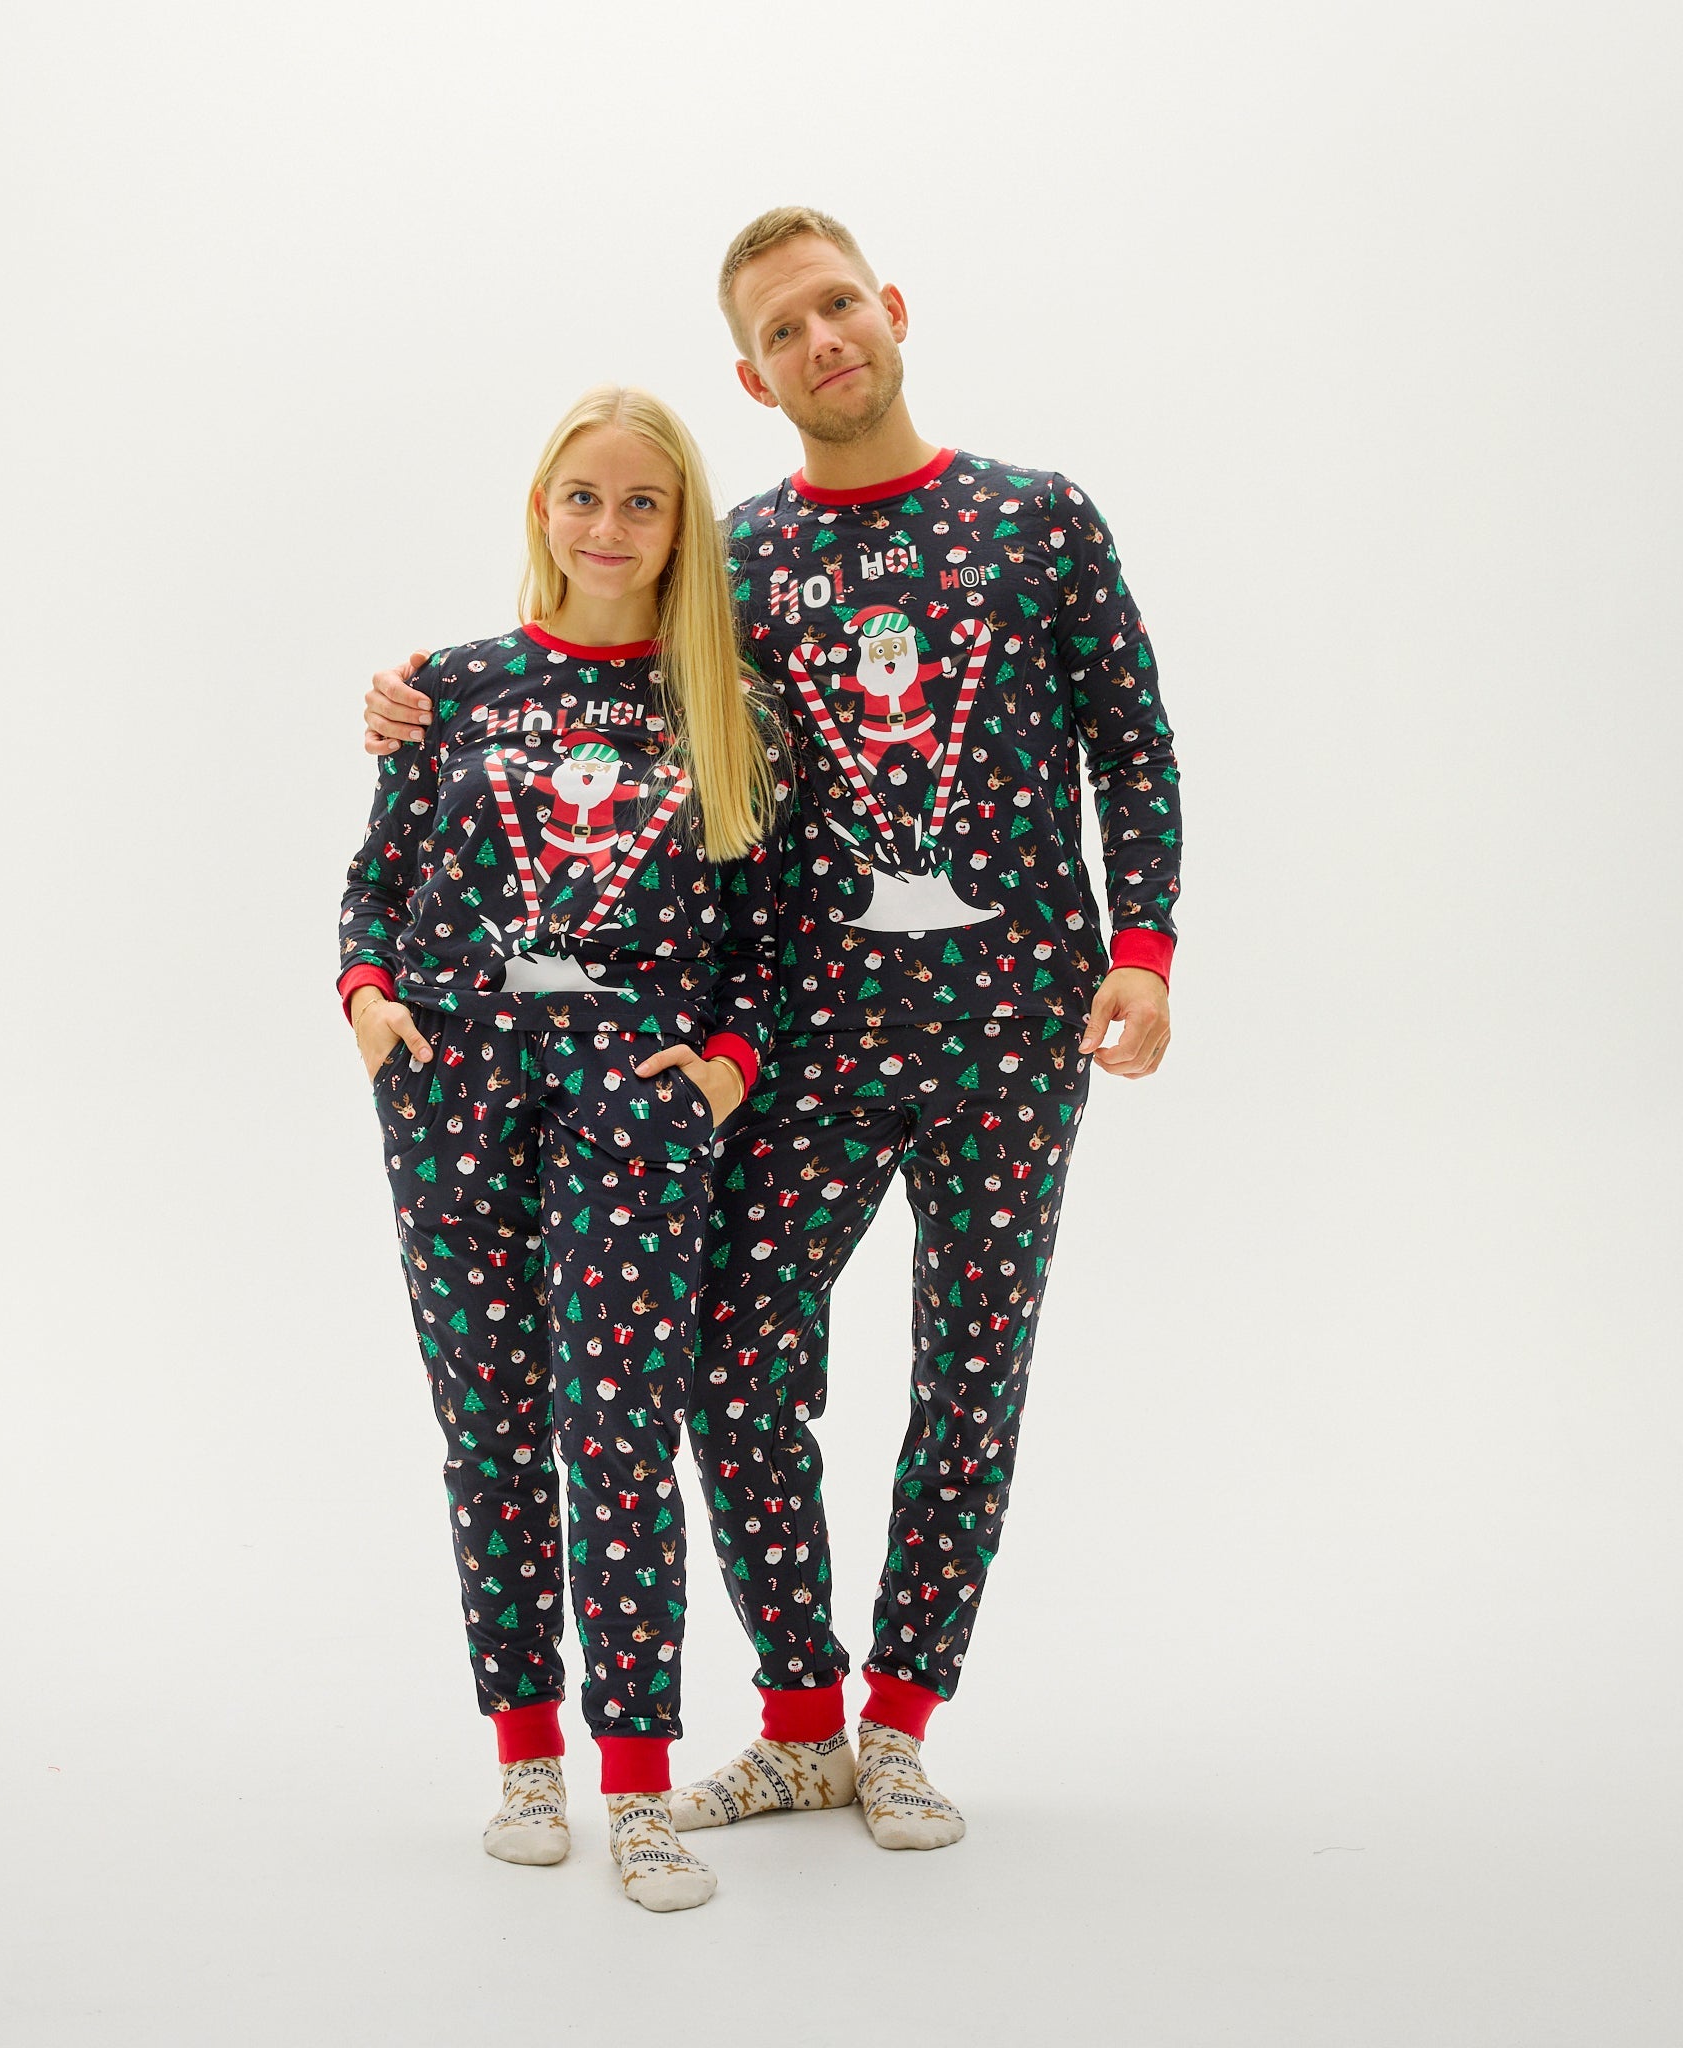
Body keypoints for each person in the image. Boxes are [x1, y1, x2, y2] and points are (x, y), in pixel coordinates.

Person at [361, 207, 1182, 1855]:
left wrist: (1144, 948)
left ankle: (900, 1726)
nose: (821, 343)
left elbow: (1132, 740)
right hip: (798, 1044)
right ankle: (802, 1719)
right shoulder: (728, 565)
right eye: (781, 332)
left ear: (890, 308)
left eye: (835, 306)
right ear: (753, 379)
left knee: (970, 1377)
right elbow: (595, 682)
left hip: (1017, 1036)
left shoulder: (1037, 519)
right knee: (727, 1366)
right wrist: (420, 706)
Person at [338, 385, 783, 1911]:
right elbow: (377, 878)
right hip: (451, 1101)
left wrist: (719, 1074)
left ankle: (640, 1786)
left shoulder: (722, 704)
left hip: (634, 1117)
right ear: (544, 509)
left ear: (681, 526)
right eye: (582, 495)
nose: (609, 524)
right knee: (491, 1431)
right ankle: (526, 1756)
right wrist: (371, 1000)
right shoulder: (451, 687)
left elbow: (766, 937)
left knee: (621, 1439)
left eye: (643, 500)